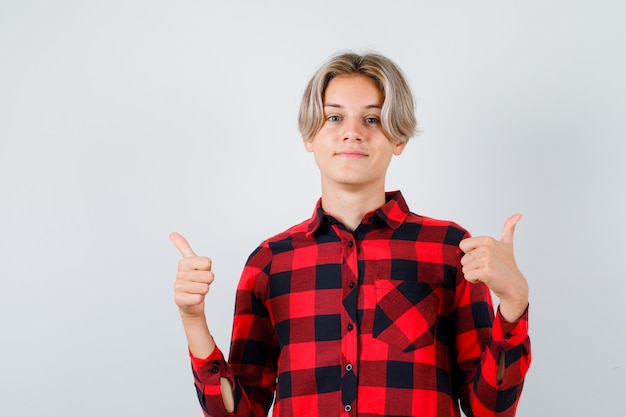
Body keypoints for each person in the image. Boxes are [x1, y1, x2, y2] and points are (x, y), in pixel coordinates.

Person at [170, 52, 531, 417]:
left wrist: (514, 303)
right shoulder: (270, 262)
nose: (353, 132)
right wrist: (193, 320)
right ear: (310, 135)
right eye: (335, 117)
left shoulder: (450, 250)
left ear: (399, 138)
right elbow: (240, 413)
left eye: (372, 118)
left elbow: (489, 410)